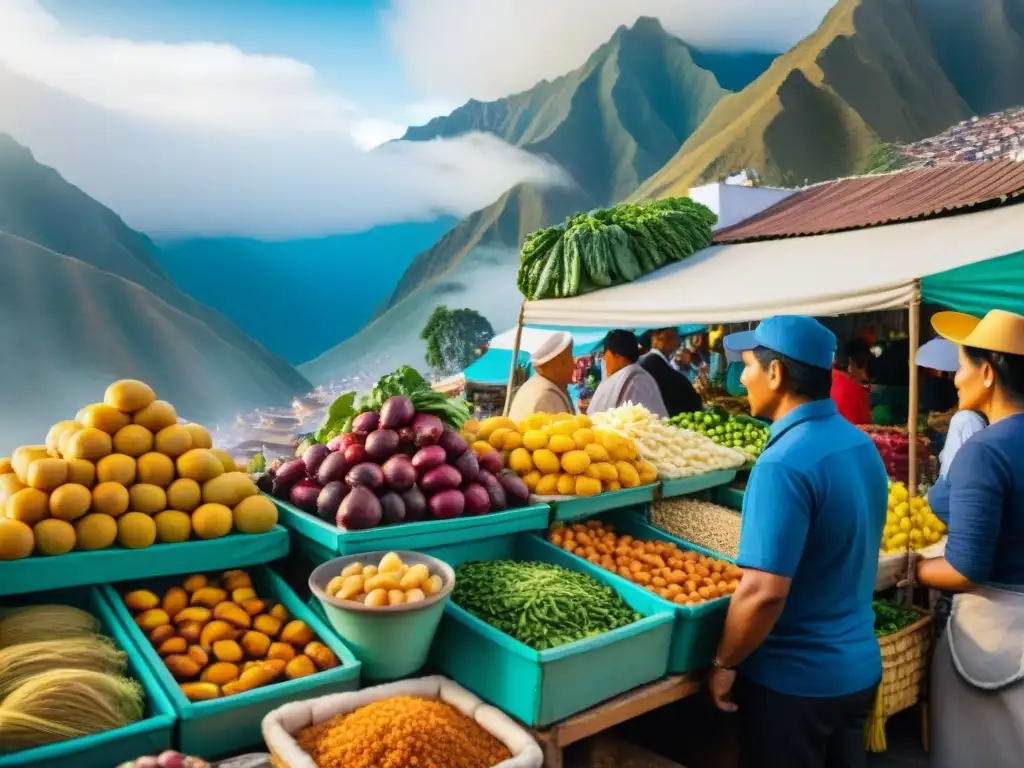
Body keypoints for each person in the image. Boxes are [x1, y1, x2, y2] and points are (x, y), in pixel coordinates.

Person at [710, 315, 888, 768]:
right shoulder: (858, 444)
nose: (742, 377)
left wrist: (725, 664)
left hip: (795, 686)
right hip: (858, 671)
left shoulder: (783, 463)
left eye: (748, 365)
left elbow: (764, 591)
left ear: (776, 373)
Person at [915, 310, 1024, 768]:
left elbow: (964, 568)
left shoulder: (987, 449)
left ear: (987, 370)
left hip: (997, 636)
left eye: (961, 365)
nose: (955, 379)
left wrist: (913, 568)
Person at [587, 330, 667, 416]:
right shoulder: (644, 378)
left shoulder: (635, 381)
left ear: (610, 354)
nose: (604, 360)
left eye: (604, 356)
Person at [507, 331, 575, 423]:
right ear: (559, 364)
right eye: (570, 358)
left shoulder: (536, 385)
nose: (574, 365)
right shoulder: (546, 396)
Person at [640, 327, 703, 416]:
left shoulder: (641, 364)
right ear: (659, 338)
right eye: (675, 337)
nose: (678, 342)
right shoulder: (670, 375)